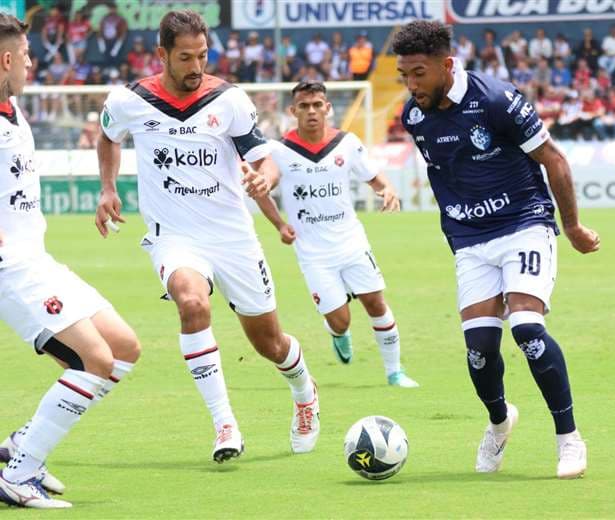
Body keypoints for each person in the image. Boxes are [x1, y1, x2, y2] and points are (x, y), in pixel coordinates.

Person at [95, 10, 320, 461]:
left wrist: (265, 179)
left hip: (233, 238)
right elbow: (107, 137)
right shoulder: (128, 100)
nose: (196, 66)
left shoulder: (229, 100)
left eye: (202, 55)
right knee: (192, 302)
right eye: (185, 57)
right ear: (162, 55)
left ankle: (304, 392)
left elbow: (265, 157)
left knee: (269, 344)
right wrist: (107, 188)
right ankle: (224, 425)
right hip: (174, 236)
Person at [393, 21, 599, 479]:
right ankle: (500, 421)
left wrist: (573, 226)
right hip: (470, 241)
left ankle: (569, 439)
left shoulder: (496, 100)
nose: (411, 85)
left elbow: (555, 161)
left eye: (419, 73)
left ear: (447, 65)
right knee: (480, 349)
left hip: (524, 225)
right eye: (404, 75)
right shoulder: (414, 116)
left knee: (527, 329)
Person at [0, 13, 141, 508]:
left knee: (123, 348)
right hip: (10, 270)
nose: (33, 63)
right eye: (28, 55)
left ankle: (24, 443)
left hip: (36, 258)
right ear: (7, 59)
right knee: (95, 360)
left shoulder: (11, 109)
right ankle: (19, 476)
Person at [253, 81, 419, 388]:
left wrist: (388, 190)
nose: (312, 111)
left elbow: (374, 177)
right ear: (293, 112)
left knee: (375, 303)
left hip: (352, 242)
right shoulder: (279, 151)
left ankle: (395, 372)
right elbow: (264, 185)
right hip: (314, 253)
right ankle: (339, 334)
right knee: (340, 320)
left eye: (318, 104)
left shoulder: (347, 143)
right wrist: (279, 224)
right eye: (304, 106)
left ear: (328, 108)